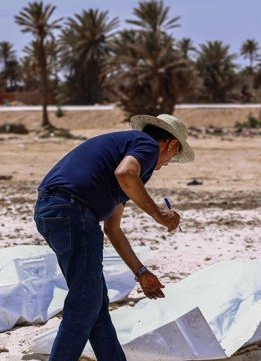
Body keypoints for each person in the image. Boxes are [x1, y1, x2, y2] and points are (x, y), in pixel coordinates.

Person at [33, 113, 195, 360]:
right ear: (172, 144)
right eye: (174, 156)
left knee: (95, 303)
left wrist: (141, 272)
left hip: (56, 212)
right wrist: (159, 215)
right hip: (72, 212)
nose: (167, 163)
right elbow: (126, 173)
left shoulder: (126, 151)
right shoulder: (147, 145)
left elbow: (113, 228)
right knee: (86, 302)